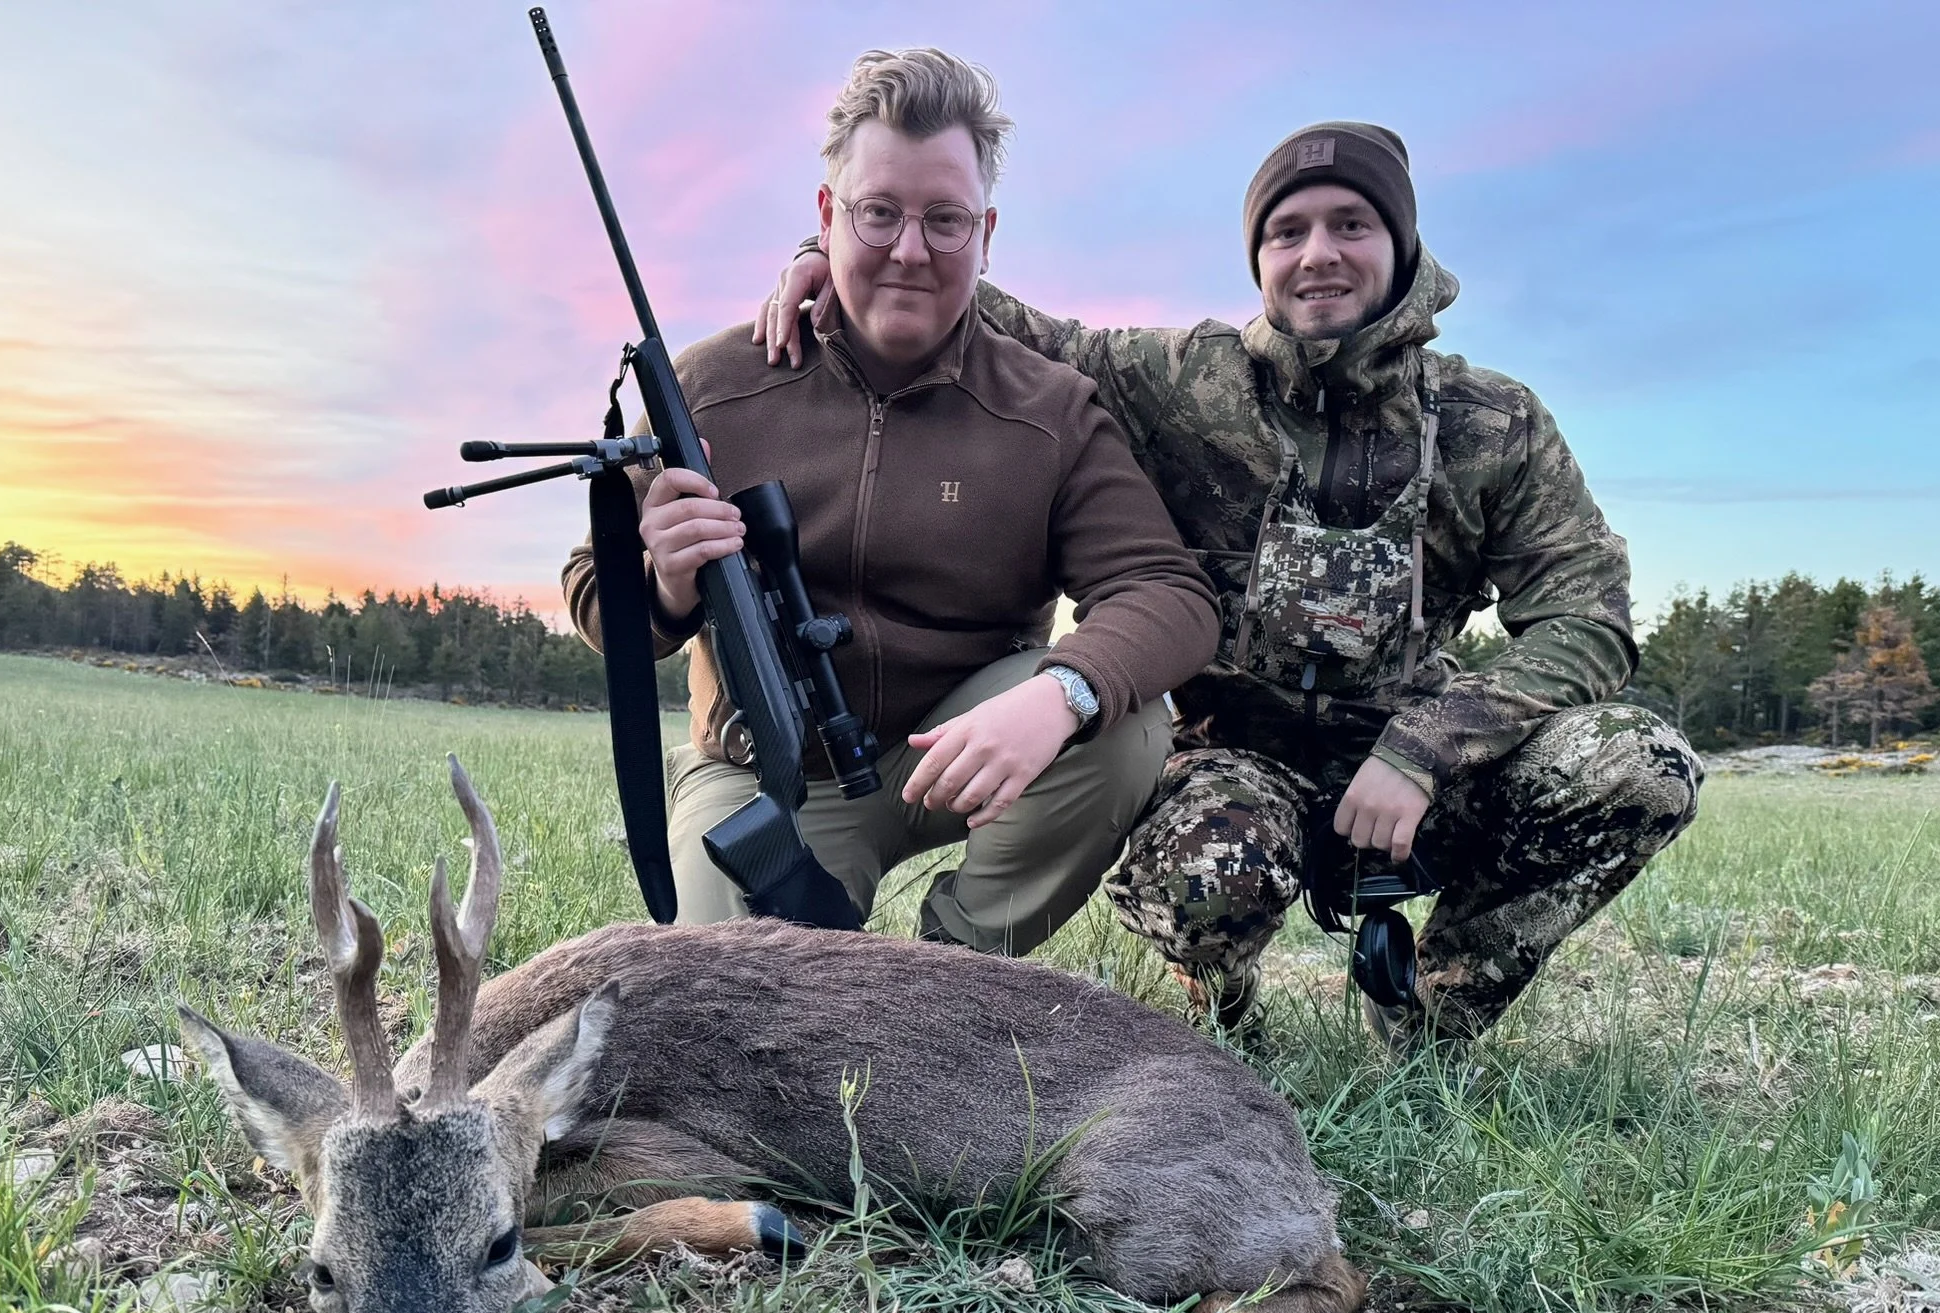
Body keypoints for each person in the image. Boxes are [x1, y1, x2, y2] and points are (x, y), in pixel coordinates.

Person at [760, 120, 1701, 1048]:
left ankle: (1431, 1015)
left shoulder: (1495, 421)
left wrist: (1427, 747)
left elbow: (1589, 620)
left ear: (1403, 245)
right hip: (1232, 770)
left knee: (1640, 765)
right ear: (1258, 256)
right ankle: (1221, 1003)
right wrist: (827, 251)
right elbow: (987, 307)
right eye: (1287, 232)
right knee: (1208, 876)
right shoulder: (1177, 380)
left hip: (1422, 775)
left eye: (1351, 226)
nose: (1317, 255)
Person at [563, 48, 1217, 955]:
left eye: (945, 220)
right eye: (879, 214)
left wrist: (1059, 695)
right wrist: (666, 584)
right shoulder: (710, 385)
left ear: (987, 233)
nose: (910, 251)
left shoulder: (1051, 408)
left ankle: (951, 973)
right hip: (768, 776)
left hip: (957, 756)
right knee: (731, 1013)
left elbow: (1169, 592)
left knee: (1121, 720)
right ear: (829, 216)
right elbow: (597, 598)